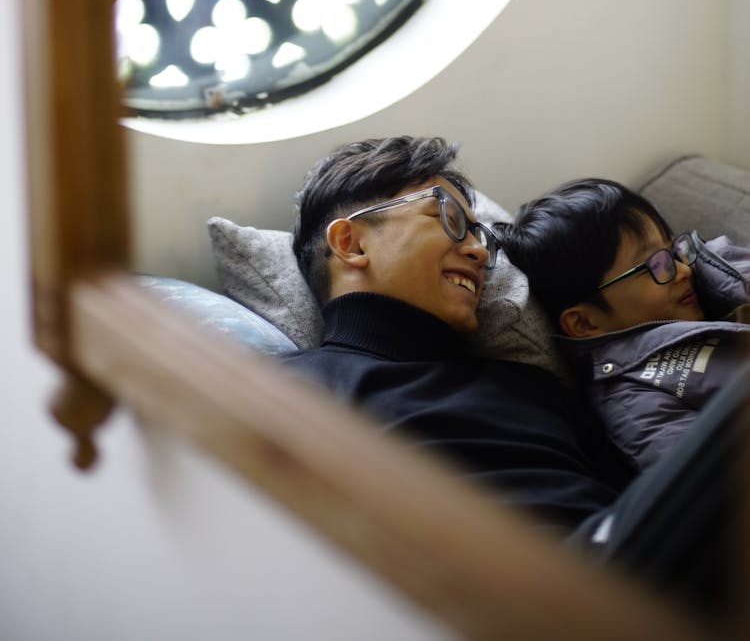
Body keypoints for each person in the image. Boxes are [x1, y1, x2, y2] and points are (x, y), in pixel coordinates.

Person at [281, 136, 746, 623]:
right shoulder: (288, 390)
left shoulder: (529, 385)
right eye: (450, 220)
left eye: (479, 236)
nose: (479, 254)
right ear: (350, 242)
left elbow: (649, 495)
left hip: (647, 585)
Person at [496, 176, 750, 469]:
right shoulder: (635, 406)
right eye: (654, 265)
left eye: (671, 252)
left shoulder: (704, 267)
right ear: (584, 323)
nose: (682, 270)